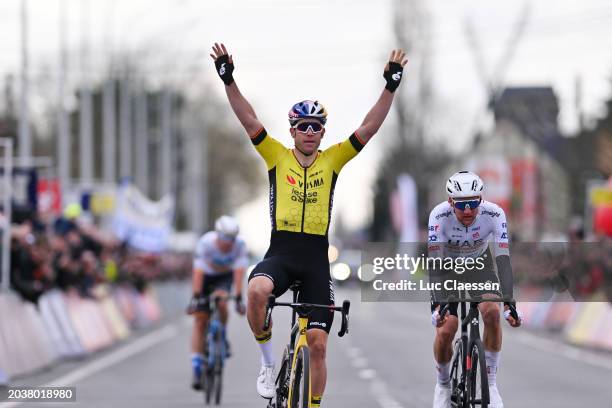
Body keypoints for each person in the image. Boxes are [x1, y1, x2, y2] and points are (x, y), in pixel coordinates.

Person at [210, 42, 407, 406]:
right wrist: (228, 79)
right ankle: (269, 364)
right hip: (281, 251)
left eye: (317, 126)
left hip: (316, 257)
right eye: (303, 126)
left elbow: (370, 127)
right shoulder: (275, 156)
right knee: (256, 292)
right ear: (293, 131)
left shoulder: (332, 159)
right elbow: (248, 119)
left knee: (317, 344)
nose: (311, 132)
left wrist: (390, 87)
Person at [428, 171, 522, 408]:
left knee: (492, 312)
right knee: (447, 328)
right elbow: (435, 264)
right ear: (450, 202)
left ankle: (490, 383)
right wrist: (437, 304)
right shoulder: (438, 216)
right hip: (447, 269)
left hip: (480, 266)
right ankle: (443, 384)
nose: (468, 211)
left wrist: (510, 302)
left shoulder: (494, 213)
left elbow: (503, 259)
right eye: (461, 205)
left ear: (481, 199)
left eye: (473, 203)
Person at [188, 215, 247, 390]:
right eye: (225, 238)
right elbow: (198, 272)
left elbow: (239, 272)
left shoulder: (240, 246)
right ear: (217, 235)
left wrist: (237, 297)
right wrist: (196, 295)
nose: (228, 243)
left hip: (224, 278)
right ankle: (197, 365)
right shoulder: (205, 243)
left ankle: (222, 335)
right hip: (205, 277)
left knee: (222, 302)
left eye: (232, 239)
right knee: (200, 320)